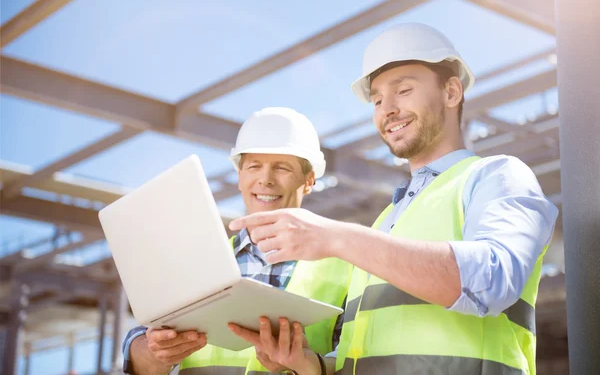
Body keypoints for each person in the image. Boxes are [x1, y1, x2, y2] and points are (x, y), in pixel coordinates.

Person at [227, 23, 559, 375]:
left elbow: (493, 280)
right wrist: (309, 365)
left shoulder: (497, 176)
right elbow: (363, 354)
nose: (387, 109)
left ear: (451, 91)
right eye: (378, 100)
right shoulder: (388, 219)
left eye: (403, 90)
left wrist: (334, 237)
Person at [121, 107, 353, 374]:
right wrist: (154, 352)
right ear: (240, 176)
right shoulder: (197, 260)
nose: (265, 180)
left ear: (309, 180)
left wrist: (306, 365)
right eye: (254, 166)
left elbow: (354, 363)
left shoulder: (346, 267)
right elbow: (141, 347)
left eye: (281, 168)